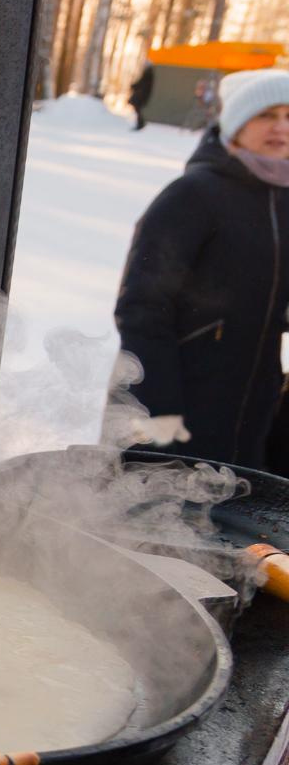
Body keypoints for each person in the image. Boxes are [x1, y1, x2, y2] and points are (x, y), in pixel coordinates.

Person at [115, 69, 289, 469]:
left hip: (253, 407)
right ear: (236, 123)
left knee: (241, 523)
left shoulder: (284, 200)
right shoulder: (193, 195)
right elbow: (141, 309)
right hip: (178, 401)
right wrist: (156, 413)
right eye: (266, 115)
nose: (280, 127)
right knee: (159, 522)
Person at [128, 63, 155, 132]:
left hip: (141, 95)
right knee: (138, 109)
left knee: (138, 109)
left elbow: (142, 84)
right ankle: (140, 123)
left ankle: (140, 123)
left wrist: (135, 86)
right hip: (141, 95)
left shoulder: (148, 75)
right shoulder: (148, 75)